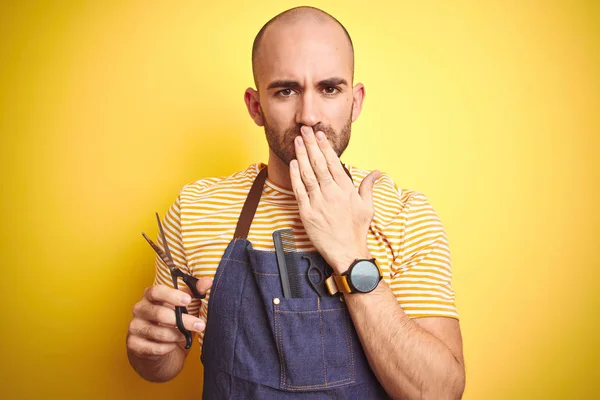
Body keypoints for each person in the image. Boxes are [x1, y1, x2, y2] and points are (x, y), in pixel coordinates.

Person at [126, 6, 465, 399]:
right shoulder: (194, 209)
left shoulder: (405, 214)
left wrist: (351, 254)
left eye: (330, 88)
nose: (309, 115)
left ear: (355, 101)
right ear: (256, 106)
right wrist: (151, 348)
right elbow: (164, 365)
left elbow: (439, 394)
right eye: (286, 90)